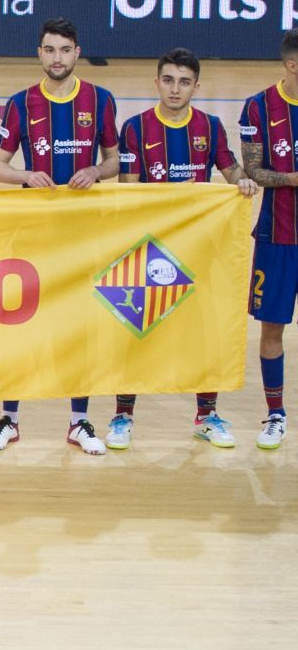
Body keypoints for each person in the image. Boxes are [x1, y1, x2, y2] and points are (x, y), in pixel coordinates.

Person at [107, 48, 257, 451]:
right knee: (136, 332)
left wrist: (241, 181)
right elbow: (129, 189)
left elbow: (230, 169)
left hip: (199, 248)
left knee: (204, 333)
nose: (175, 89)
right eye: (168, 80)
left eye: (184, 81)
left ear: (196, 86)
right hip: (149, 249)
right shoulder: (135, 128)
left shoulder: (210, 126)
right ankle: (122, 415)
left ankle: (206, 416)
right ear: (156, 82)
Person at [0, 18, 120, 455]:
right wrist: (27, 175)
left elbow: (116, 160)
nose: (56, 58)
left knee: (78, 329)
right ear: (39, 54)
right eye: (48, 50)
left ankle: (79, 422)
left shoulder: (100, 100)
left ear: (77, 52)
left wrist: (96, 170)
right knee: (20, 326)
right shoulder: (21, 103)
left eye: (64, 49)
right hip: (34, 234)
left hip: (83, 233)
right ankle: (9, 418)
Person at [237, 28, 298, 450]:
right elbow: (252, 170)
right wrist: (293, 179)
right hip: (277, 236)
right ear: (292, 64)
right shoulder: (258, 107)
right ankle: (275, 414)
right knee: (272, 329)